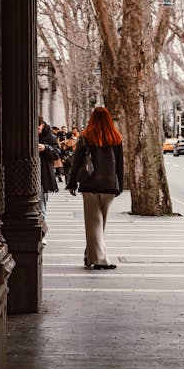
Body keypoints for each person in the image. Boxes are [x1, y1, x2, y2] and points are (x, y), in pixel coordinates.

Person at [67, 107, 123, 270]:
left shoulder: (86, 136)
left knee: (93, 224)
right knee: (100, 224)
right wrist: (120, 185)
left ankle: (98, 260)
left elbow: (76, 162)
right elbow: (120, 165)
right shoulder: (116, 137)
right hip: (109, 185)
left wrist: (72, 183)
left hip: (90, 184)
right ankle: (91, 256)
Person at [38, 116, 59, 237]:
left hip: (44, 175)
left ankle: (41, 234)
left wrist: (46, 148)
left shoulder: (49, 136)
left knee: (42, 206)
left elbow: (57, 153)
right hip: (29, 175)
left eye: (38, 128)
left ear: (42, 125)